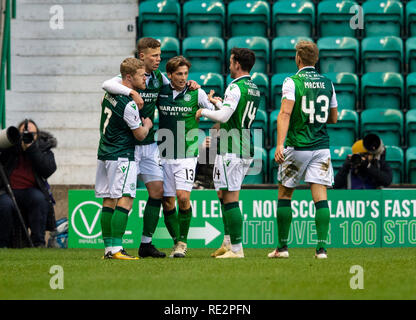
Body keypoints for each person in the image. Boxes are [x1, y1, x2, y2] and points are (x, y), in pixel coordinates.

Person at [101, 38, 200, 258]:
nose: (158, 59)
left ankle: (146, 244)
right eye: (154, 55)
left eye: (159, 55)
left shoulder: (159, 78)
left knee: (157, 193)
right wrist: (131, 93)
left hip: (149, 144)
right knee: (120, 196)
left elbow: (176, 85)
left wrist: (193, 84)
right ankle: (112, 247)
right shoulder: (126, 78)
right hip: (127, 146)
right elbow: (106, 85)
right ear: (142, 56)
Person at [269, 40, 338, 260]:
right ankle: (321, 249)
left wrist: (279, 144)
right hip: (321, 148)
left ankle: (282, 248)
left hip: (297, 147)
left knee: (285, 194)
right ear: (316, 59)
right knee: (320, 197)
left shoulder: (292, 82)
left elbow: (285, 113)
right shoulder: (328, 83)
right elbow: (334, 117)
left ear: (298, 58)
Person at [196, 47, 261, 259]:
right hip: (242, 146)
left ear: (237, 64)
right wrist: (217, 103)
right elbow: (232, 112)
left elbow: (224, 117)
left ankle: (237, 249)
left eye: (231, 61)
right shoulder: (253, 87)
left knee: (231, 198)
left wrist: (203, 111)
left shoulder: (235, 87)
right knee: (223, 194)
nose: (229, 64)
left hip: (232, 148)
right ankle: (227, 242)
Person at [157, 55, 217, 258]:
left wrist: (209, 106)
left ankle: (182, 242)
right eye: (179, 74)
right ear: (170, 75)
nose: (183, 78)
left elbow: (219, 112)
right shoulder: (161, 91)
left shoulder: (196, 92)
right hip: (164, 153)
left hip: (187, 153)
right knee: (167, 201)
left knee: (183, 197)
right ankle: (176, 242)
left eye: (185, 74)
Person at [96, 58, 153, 260]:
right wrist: (147, 124)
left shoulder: (109, 93)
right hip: (121, 155)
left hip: (104, 153)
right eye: (140, 75)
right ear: (129, 77)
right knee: (126, 199)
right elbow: (139, 135)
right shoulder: (128, 105)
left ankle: (108, 250)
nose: (144, 77)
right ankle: (117, 249)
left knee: (109, 200)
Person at [0, 119, 57, 248]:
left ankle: (38, 243)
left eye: (31, 134)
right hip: (7, 191)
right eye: (23, 133)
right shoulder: (9, 148)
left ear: (37, 135)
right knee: (4, 204)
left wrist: (31, 149)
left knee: (39, 200)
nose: (27, 136)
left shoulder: (43, 149)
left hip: (31, 190)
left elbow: (48, 170)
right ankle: (2, 244)